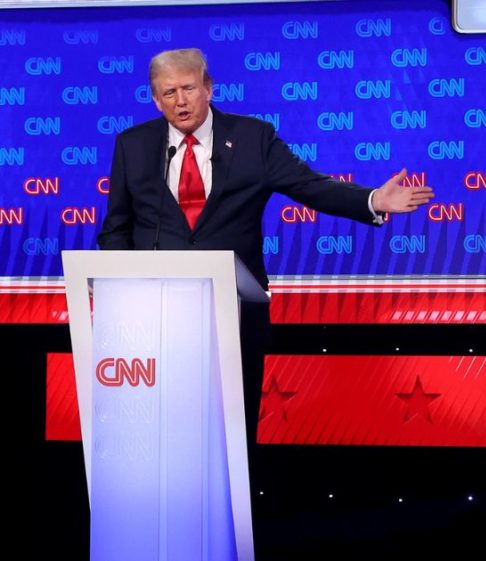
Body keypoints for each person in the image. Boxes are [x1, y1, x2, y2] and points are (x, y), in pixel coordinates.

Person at [97, 47, 434, 490]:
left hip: (235, 315)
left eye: (188, 89)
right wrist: (118, 300)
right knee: (162, 439)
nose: (180, 101)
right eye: (168, 93)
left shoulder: (254, 137)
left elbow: (309, 186)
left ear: (209, 88)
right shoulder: (134, 145)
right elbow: (116, 227)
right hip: (155, 322)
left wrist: (371, 200)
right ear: (155, 100)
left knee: (230, 440)